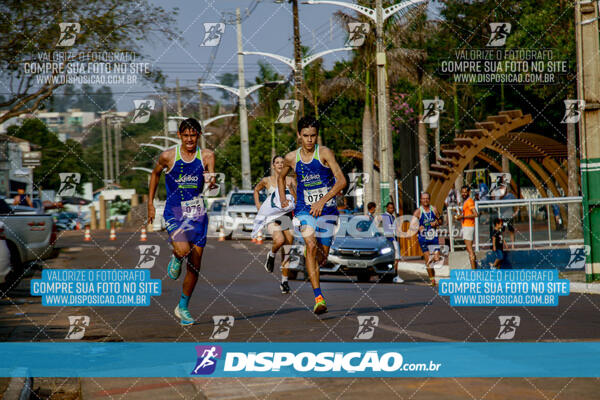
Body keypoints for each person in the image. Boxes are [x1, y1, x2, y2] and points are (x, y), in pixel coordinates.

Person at [148, 118, 216, 326]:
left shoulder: (207, 156)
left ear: (199, 136)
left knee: (195, 266)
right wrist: (150, 204)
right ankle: (177, 257)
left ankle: (183, 307)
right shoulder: (168, 156)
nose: (189, 139)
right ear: (179, 135)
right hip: (175, 212)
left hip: (197, 214)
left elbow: (211, 181)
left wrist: (211, 182)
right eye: (185, 135)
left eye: (193, 135)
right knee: (183, 250)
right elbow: (155, 175)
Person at [278, 117, 347, 315]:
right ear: (299, 135)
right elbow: (281, 177)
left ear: (317, 135)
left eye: (313, 136)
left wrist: (322, 201)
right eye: (306, 136)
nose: (309, 140)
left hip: (327, 209)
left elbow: (341, 181)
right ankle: (318, 297)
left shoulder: (324, 153)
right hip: (304, 209)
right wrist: (284, 199)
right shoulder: (291, 158)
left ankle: (315, 261)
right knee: (310, 244)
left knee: (322, 257)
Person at [254, 155, 297, 294]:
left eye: (282, 163)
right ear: (273, 166)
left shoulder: (290, 180)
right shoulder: (267, 180)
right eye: (277, 162)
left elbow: (296, 200)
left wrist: (292, 190)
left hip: (287, 216)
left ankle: (284, 282)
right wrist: (258, 206)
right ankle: (271, 255)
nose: (279, 164)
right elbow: (256, 190)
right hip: (272, 216)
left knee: (287, 248)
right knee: (279, 241)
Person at [412, 192, 443, 286]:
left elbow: (441, 220)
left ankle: (432, 272)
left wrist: (436, 223)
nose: (425, 200)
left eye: (427, 198)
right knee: (428, 261)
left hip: (433, 237)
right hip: (423, 239)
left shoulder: (434, 209)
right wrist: (418, 227)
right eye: (423, 198)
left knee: (436, 258)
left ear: (429, 199)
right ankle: (432, 280)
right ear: (421, 200)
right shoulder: (418, 212)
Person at [379, 202, 403, 284]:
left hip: (394, 238)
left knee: (396, 259)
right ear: (387, 208)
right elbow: (388, 229)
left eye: (393, 208)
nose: (392, 210)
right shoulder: (385, 217)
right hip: (391, 239)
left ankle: (394, 275)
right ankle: (395, 275)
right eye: (390, 208)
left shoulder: (392, 216)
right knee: (396, 258)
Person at [455, 186, 478, 269]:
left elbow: (475, 214)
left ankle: (474, 271)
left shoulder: (469, 201)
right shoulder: (466, 202)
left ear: (469, 192)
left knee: (470, 250)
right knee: (469, 249)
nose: (463, 193)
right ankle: (474, 269)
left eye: (465, 192)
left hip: (468, 227)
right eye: (462, 192)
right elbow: (466, 214)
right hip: (466, 226)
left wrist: (463, 217)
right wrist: (461, 216)